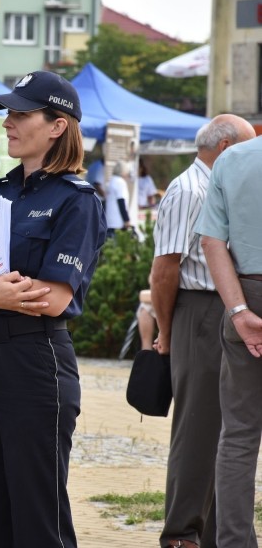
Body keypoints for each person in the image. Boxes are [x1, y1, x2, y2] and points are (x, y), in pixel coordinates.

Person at [0, 70, 107, 547]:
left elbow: (53, 297)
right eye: (7, 114)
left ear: (58, 125)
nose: (8, 124)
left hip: (34, 360)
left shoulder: (76, 201)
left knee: (38, 515)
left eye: (20, 114)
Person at [151, 114, 255, 548]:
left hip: (224, 306)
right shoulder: (189, 189)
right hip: (199, 309)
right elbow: (165, 268)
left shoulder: (220, 185)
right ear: (228, 147)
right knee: (197, 426)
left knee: (224, 426)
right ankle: (182, 533)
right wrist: (167, 329)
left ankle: (211, 531)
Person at [194, 128, 262, 548]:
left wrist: (238, 310)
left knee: (238, 433)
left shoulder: (233, 159)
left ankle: (235, 542)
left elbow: (211, 241)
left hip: (248, 290)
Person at [104, 161, 131, 236]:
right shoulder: (120, 182)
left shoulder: (111, 181)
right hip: (118, 222)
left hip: (109, 221)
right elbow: (121, 201)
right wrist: (126, 219)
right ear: (123, 171)